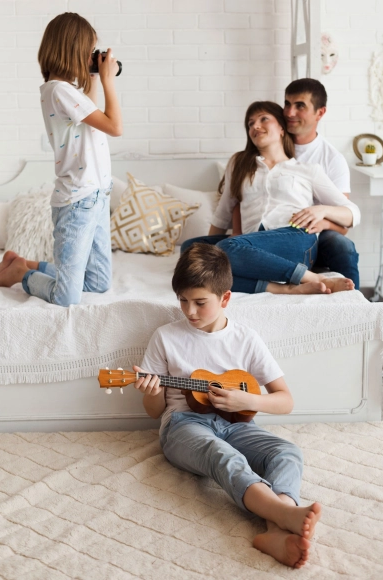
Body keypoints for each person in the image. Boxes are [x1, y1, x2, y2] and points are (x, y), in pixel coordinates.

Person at [133, 243, 322, 569]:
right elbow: (153, 411)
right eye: (182, 300)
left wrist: (246, 400)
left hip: (238, 424)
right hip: (183, 425)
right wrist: (150, 390)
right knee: (224, 455)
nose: (189, 311)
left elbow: (285, 401)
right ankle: (283, 512)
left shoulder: (246, 339)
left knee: (288, 453)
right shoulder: (165, 337)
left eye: (200, 302)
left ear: (225, 298)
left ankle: (275, 531)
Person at [0, 12, 122, 306]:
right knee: (67, 297)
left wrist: (94, 77)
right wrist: (109, 81)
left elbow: (95, 115)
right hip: (77, 202)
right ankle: (21, 273)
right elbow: (115, 126)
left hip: (97, 196)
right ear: (72, 50)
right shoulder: (58, 90)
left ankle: (27, 264)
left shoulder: (68, 92)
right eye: (88, 51)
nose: (91, 56)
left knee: (97, 283)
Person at [181, 101, 360, 295]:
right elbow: (223, 213)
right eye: (250, 124)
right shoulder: (239, 164)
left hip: (295, 237)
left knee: (224, 250)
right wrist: (207, 254)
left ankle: (313, 277)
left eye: (263, 119)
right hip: (250, 241)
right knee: (190, 251)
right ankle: (285, 289)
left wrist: (322, 210)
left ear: (282, 128)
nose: (255, 126)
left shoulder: (307, 170)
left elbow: (353, 213)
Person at [284, 78, 360, 288]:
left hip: (318, 235)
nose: (290, 113)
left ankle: (354, 308)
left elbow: (344, 224)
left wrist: (323, 220)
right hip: (279, 228)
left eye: (300, 106)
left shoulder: (332, 159)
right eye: (287, 104)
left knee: (342, 245)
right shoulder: (274, 144)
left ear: (320, 112)